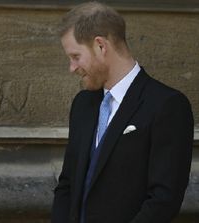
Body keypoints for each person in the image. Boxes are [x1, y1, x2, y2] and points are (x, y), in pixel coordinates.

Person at [51, 2, 193, 223]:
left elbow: (163, 200)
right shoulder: (83, 104)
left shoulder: (167, 106)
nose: (72, 67)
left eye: (76, 56)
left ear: (100, 46)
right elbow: (67, 184)